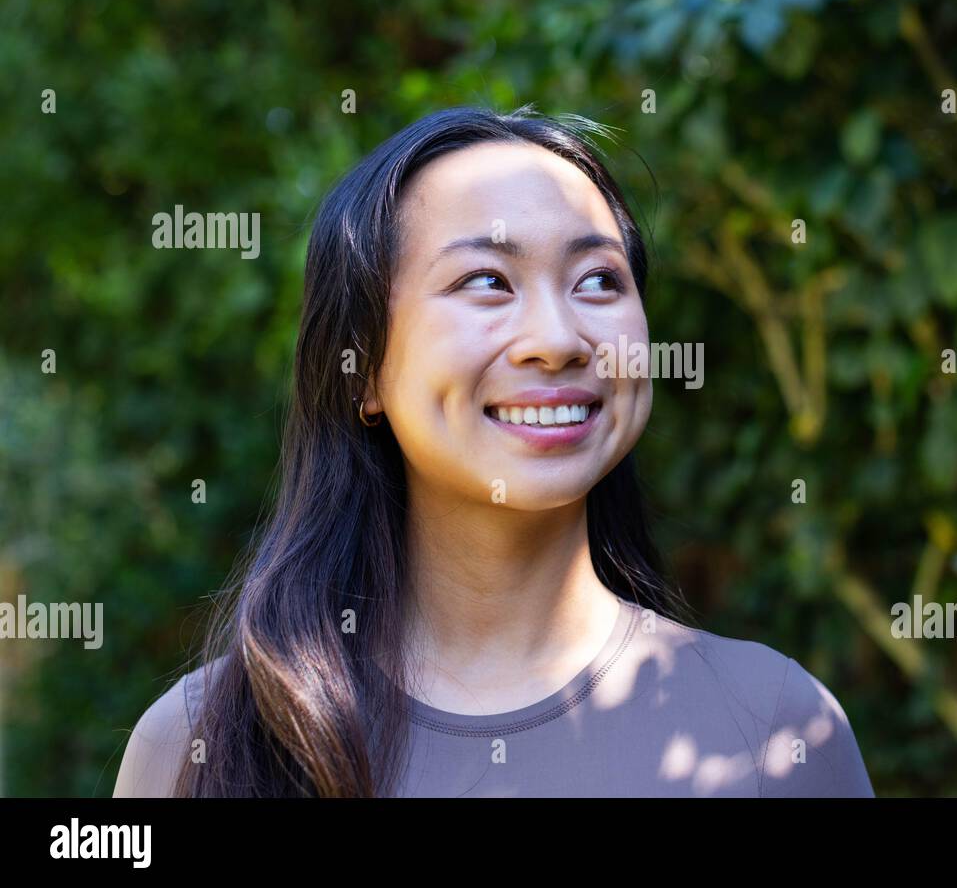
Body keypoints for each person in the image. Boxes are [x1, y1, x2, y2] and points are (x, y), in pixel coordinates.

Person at [113, 104, 874, 797]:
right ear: (363, 367)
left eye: (598, 280)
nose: (556, 340)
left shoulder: (777, 728)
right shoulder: (204, 743)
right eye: (486, 280)